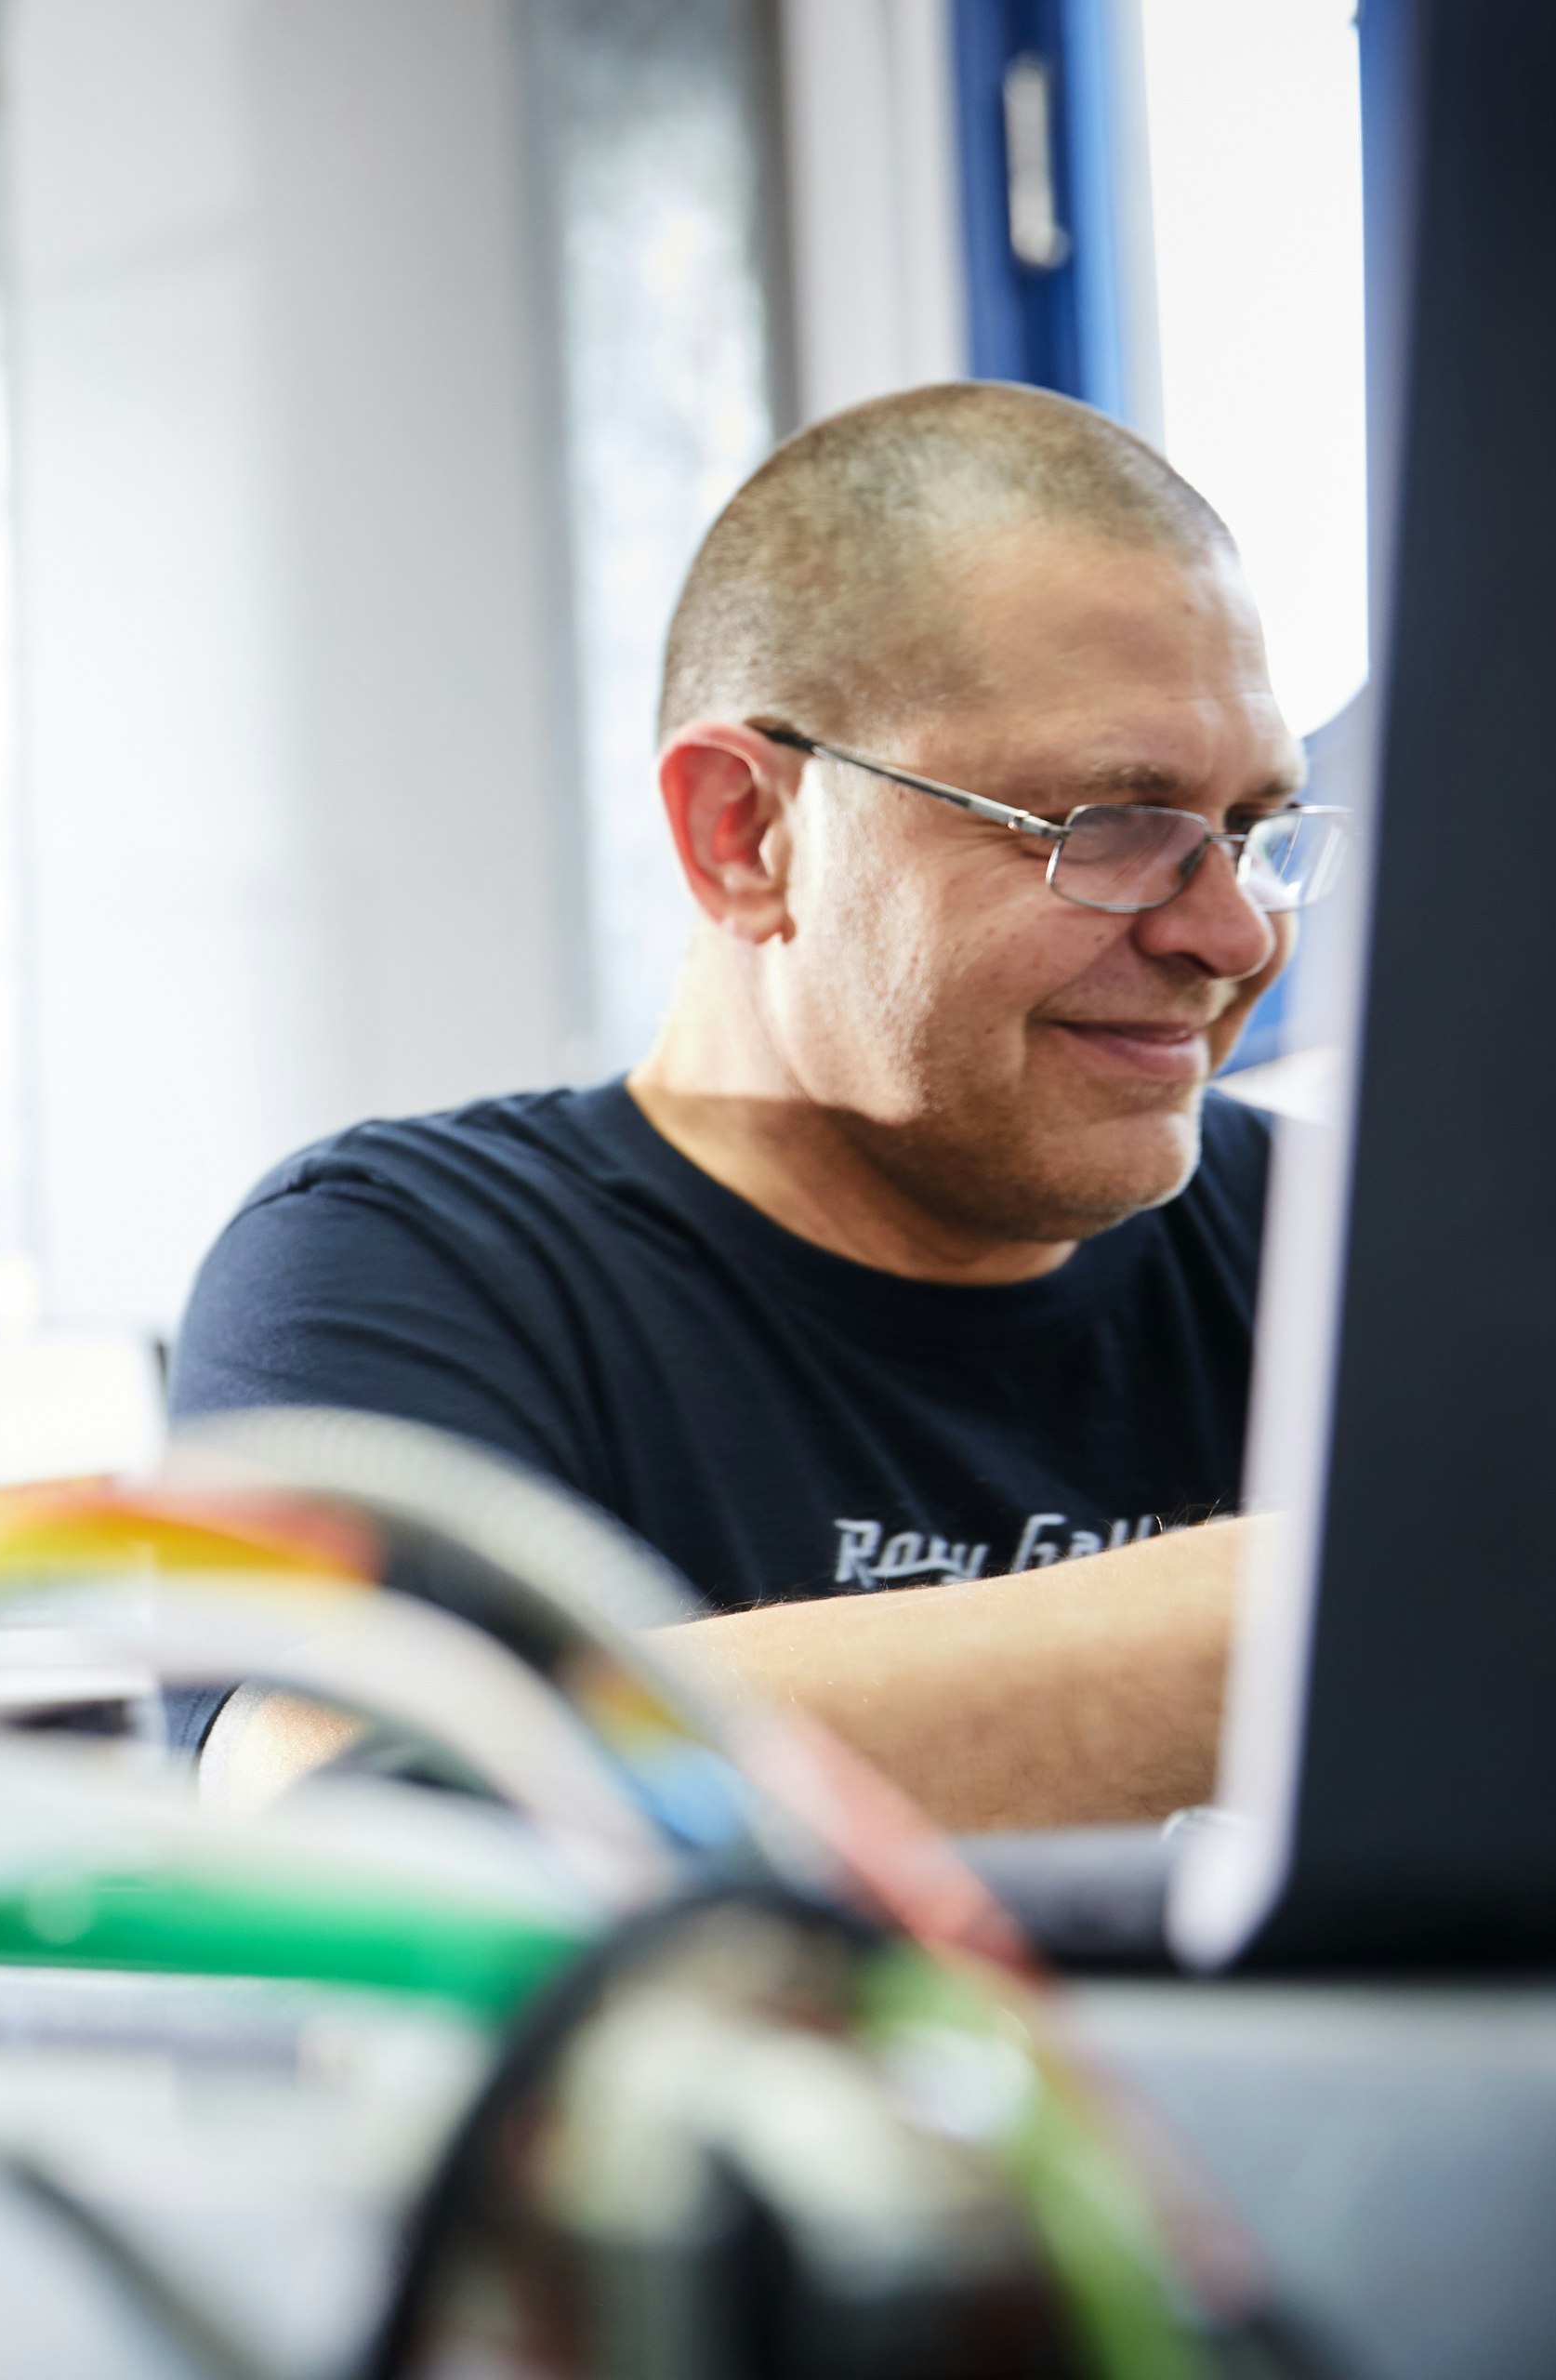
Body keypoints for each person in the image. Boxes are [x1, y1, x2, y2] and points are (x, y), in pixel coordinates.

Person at [170, 382, 1341, 1832]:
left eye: (1250, 832)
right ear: (748, 835)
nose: (1233, 939)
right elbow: (356, 1784)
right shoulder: (405, 1262)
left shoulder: (1334, 1239)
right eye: (1110, 829)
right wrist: (1361, 1609)